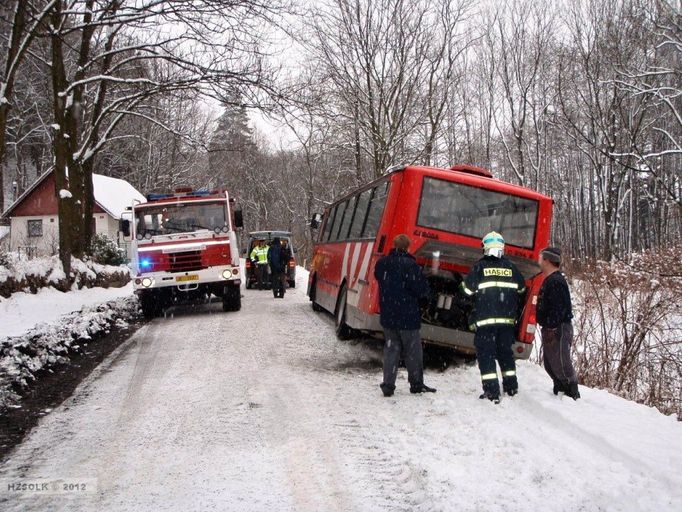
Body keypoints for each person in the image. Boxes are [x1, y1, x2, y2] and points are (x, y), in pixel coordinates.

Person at [461, 231, 526, 403]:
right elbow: (521, 289)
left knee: (487, 355)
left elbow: (467, 291)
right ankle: (511, 387)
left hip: (486, 322)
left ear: (485, 248)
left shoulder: (480, 267)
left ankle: (492, 392)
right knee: (505, 354)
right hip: (507, 322)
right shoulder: (511, 267)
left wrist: (463, 285)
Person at [374, 234, 436, 397]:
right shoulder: (411, 266)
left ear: (394, 245)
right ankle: (416, 383)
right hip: (408, 316)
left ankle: (388, 385)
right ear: (408, 247)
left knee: (391, 349)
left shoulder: (383, 264)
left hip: (388, 315)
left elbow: (378, 277)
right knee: (412, 351)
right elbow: (421, 290)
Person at [537, 247, 580, 400]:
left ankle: (572, 395)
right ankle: (560, 392)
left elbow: (559, 308)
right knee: (550, 365)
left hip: (558, 329)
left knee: (561, 363)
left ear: (547, 260)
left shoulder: (556, 281)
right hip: (552, 328)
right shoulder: (550, 279)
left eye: (541, 257)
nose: (539, 260)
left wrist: (551, 326)